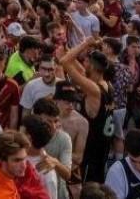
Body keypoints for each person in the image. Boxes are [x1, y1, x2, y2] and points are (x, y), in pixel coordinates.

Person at [59, 37, 114, 185]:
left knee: (88, 190)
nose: (83, 63)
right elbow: (79, 67)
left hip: (91, 151)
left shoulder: (94, 90)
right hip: (103, 148)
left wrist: (86, 43)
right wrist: (67, 49)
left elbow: (64, 62)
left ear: (93, 67)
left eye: (86, 62)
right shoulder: (107, 85)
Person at [0, 130, 50, 199]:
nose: (24, 166)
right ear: (2, 160)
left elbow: (42, 195)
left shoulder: (26, 167)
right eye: (17, 160)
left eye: (25, 158)